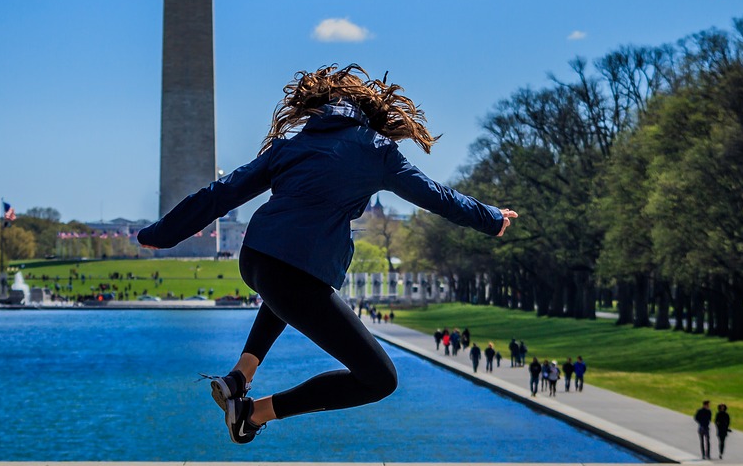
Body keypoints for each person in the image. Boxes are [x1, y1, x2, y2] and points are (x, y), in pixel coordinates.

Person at [138, 64, 517, 444]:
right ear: (370, 110)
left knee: (288, 285)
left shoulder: (291, 146)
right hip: (296, 269)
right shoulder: (376, 150)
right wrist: (491, 218)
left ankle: (240, 375)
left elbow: (222, 193)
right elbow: (437, 196)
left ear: (318, 106)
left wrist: (163, 233)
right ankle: (253, 413)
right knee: (379, 378)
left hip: (257, 257)